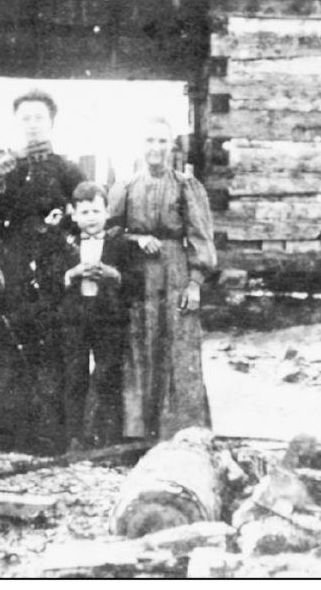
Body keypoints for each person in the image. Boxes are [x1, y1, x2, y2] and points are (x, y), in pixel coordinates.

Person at [0, 89, 85, 454]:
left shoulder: (67, 170)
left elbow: (86, 221)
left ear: (51, 123)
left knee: (46, 346)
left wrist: (64, 228)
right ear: (17, 123)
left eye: (39, 118)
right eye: (26, 118)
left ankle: (45, 433)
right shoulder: (6, 171)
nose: (32, 125)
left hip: (51, 269)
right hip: (10, 265)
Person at [109, 116, 217, 441]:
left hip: (175, 276)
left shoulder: (186, 186)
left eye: (161, 141)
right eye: (149, 141)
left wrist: (195, 281)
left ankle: (181, 434)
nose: (155, 148)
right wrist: (135, 239)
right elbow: (110, 231)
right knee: (138, 347)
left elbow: (201, 236)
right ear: (140, 146)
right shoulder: (126, 187)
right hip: (138, 280)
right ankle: (136, 435)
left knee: (178, 348)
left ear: (171, 146)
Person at [55, 181, 139, 452]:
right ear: (74, 215)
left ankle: (105, 436)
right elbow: (51, 278)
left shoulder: (119, 245)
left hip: (108, 318)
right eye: (85, 212)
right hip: (75, 318)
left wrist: (115, 275)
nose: (91, 218)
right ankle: (74, 437)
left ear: (106, 213)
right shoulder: (65, 244)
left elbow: (135, 281)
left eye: (96, 211)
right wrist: (72, 274)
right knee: (74, 375)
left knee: (107, 374)